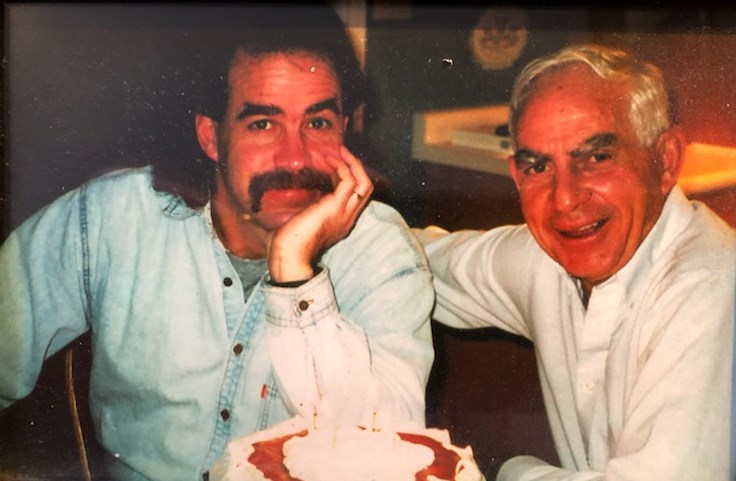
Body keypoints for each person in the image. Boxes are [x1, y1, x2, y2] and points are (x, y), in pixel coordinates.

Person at [0, 5, 435, 481]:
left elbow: (389, 452)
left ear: (345, 129)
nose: (295, 158)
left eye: (317, 123)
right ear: (211, 137)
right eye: (262, 124)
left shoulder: (380, 253)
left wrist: (295, 273)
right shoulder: (112, 220)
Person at [418, 43, 736, 480]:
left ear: (665, 160)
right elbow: (418, 265)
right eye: (538, 166)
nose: (564, 199)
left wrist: (514, 471)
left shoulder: (711, 285)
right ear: (516, 175)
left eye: (597, 157)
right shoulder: (547, 258)